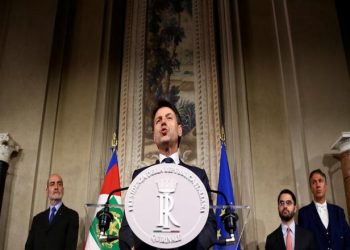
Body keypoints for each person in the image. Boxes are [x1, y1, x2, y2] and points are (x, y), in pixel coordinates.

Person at [119, 99, 217, 249]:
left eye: (168, 118)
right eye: (158, 120)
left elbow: (209, 224)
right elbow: (127, 227)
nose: (163, 122)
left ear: (179, 130)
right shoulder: (140, 177)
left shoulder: (198, 176)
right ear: (154, 136)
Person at [298, 169, 350, 250]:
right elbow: (303, 244)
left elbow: (348, 240)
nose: (318, 185)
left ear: (325, 185)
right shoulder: (303, 213)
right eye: (314, 182)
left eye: (320, 181)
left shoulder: (339, 212)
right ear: (311, 188)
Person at [25, 174, 79, 250]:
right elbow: (29, 247)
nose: (56, 187)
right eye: (52, 184)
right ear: (47, 191)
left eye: (59, 184)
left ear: (62, 190)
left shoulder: (72, 216)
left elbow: (70, 247)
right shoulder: (37, 219)